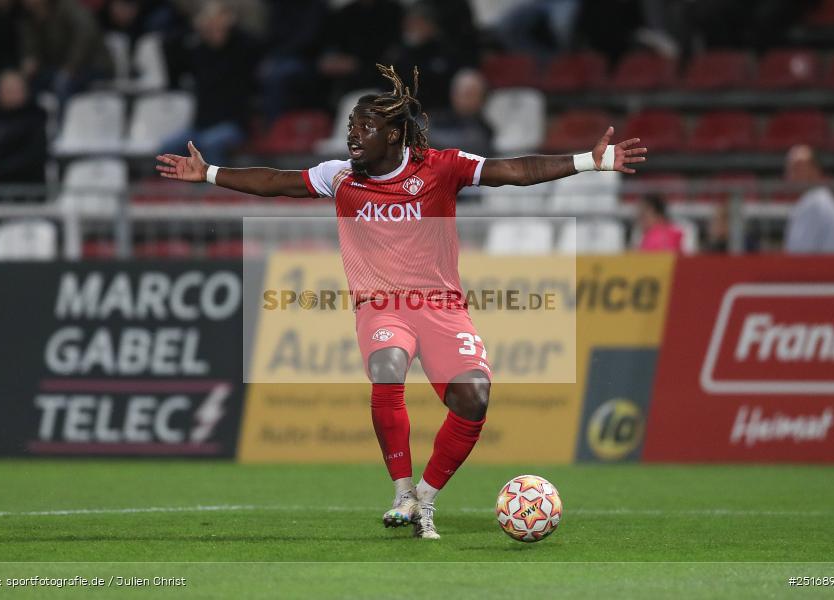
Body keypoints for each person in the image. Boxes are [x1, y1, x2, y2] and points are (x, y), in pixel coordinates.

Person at [156, 64, 647, 539]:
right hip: (381, 305)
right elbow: (277, 181)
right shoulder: (340, 175)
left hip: (441, 306)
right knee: (388, 366)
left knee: (473, 398)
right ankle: (402, 492)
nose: (352, 135)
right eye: (351, 125)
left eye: (364, 126)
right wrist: (210, 173)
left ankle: (426, 498)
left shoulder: (442, 168)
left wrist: (589, 160)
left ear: (393, 135)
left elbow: (515, 170)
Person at [159, 1, 259, 165]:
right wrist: (193, 29)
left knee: (210, 143)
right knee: (167, 147)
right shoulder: (199, 52)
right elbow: (170, 49)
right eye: (209, 21)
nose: (213, 26)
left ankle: (213, 189)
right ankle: (177, 190)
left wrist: (231, 29)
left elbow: (255, 44)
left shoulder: (242, 50)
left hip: (233, 124)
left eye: (217, 20)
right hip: (202, 126)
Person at [19, 0, 113, 107]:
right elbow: (31, 47)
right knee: (29, 84)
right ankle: (32, 121)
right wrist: (30, 59)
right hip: (59, 68)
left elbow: (85, 36)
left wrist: (69, 67)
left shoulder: (68, 7)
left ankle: (64, 122)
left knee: (63, 84)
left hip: (93, 66)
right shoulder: (27, 17)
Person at [783, 145, 834, 254]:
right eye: (790, 167)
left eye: (798, 167)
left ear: (815, 170)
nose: (792, 173)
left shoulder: (819, 204)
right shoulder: (807, 202)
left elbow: (801, 254)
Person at [428, 69, 493, 157]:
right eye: (458, 93)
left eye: (469, 94)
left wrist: (421, 134)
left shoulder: (483, 128)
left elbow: (461, 146)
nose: (462, 98)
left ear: (482, 98)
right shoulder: (440, 117)